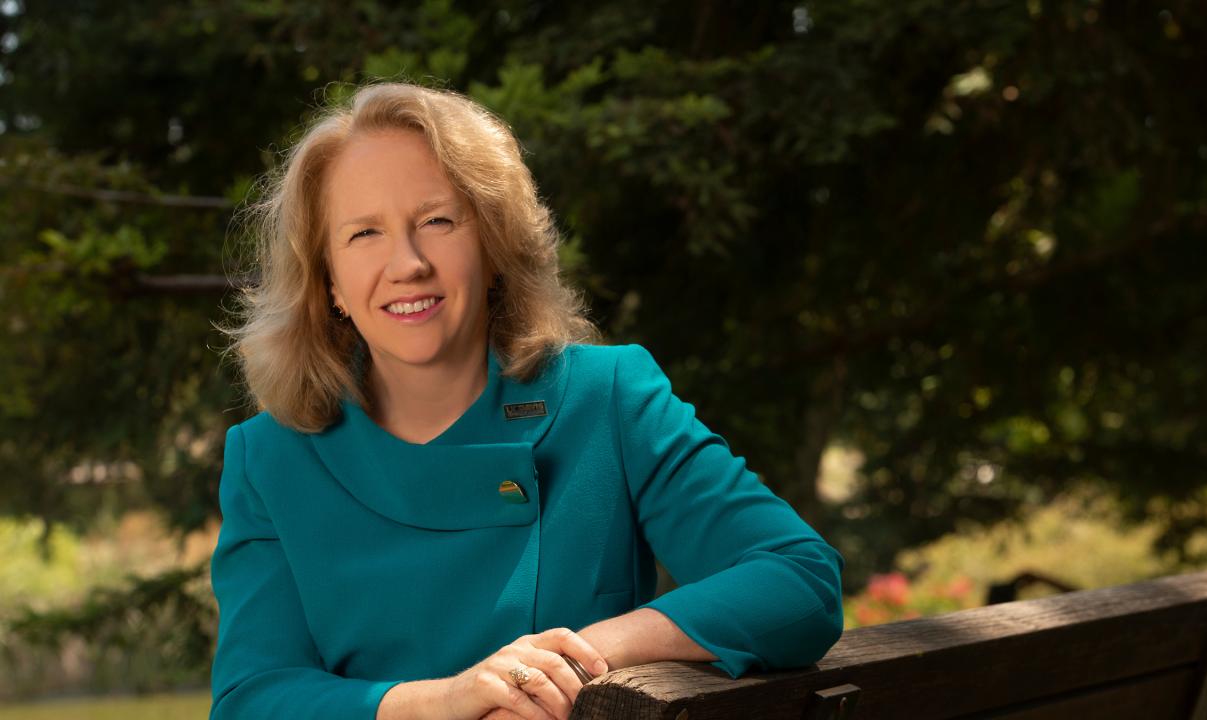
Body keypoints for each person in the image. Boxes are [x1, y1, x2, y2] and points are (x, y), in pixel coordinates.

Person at [210, 81, 845, 720]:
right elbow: (251, 699)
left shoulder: (610, 398)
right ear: (330, 284)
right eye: (364, 233)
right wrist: (443, 703)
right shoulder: (269, 459)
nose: (407, 263)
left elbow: (799, 581)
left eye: (436, 220)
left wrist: (576, 658)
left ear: (493, 246)